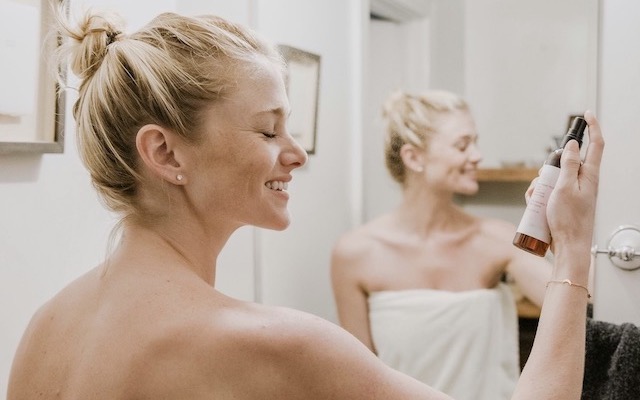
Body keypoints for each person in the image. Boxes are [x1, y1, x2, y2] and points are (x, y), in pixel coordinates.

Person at [6, 5, 603, 400]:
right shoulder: (271, 342)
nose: (296, 154)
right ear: (164, 152)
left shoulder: (48, 326)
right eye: (268, 130)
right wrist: (574, 248)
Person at [330, 90, 587, 399]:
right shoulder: (355, 254)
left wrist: (567, 234)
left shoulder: (498, 240)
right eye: (462, 145)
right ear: (413, 157)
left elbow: (574, 306)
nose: (477, 155)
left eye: (475, 143)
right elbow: (360, 378)